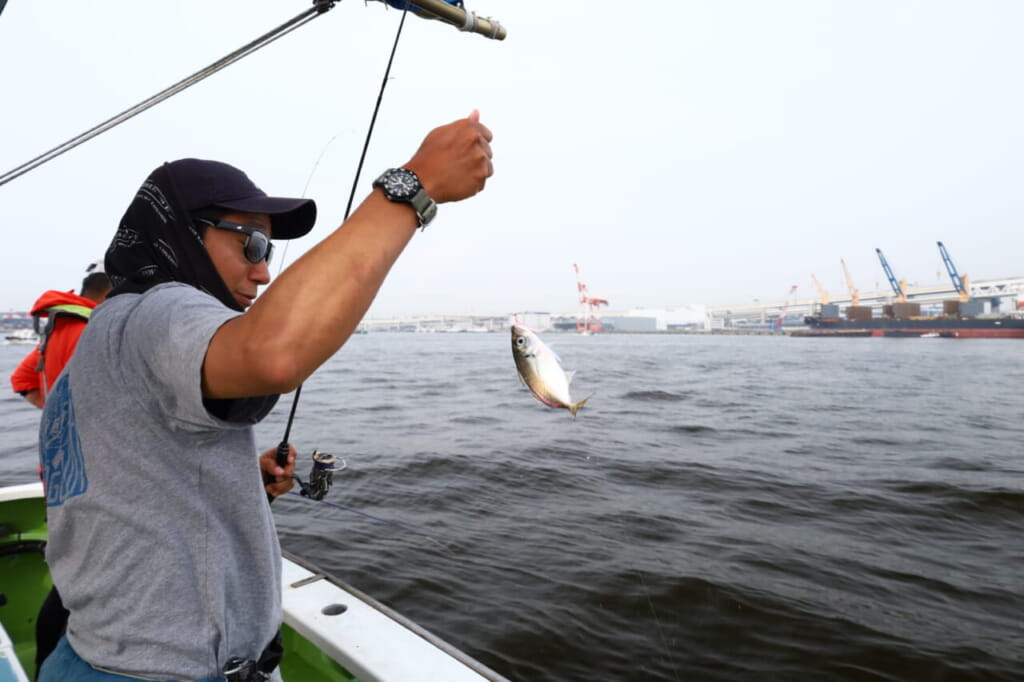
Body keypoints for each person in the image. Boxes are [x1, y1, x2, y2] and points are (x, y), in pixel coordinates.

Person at [37, 110, 493, 682]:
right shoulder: (159, 309)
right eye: (253, 243)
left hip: (91, 654)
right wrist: (414, 186)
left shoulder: (100, 342)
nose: (263, 272)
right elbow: (275, 354)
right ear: (180, 233)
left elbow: (124, 485)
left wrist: (234, 480)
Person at [9, 263, 111, 408]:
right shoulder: (97, 331)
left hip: (63, 429)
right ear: (112, 290)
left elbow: (21, 380)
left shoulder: (55, 331)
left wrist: (56, 416)